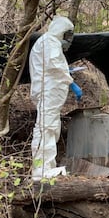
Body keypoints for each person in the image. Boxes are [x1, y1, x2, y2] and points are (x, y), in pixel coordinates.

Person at [29, 15, 83, 181]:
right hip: (48, 92)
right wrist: (71, 81)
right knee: (46, 128)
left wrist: (67, 73)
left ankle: (47, 168)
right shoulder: (49, 42)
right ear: (61, 31)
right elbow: (55, 65)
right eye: (67, 35)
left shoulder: (48, 43)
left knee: (50, 128)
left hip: (49, 93)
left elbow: (54, 66)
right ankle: (41, 171)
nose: (68, 40)